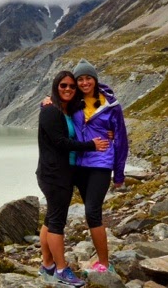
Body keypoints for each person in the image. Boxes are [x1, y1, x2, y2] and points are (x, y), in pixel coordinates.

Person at [36, 70, 110, 286]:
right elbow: (60, 142)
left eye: (71, 86)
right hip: (54, 174)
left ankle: (47, 265)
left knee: (51, 218)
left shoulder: (67, 109)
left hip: (61, 172)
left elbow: (95, 110)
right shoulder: (51, 110)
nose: (68, 89)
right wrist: (91, 145)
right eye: (63, 85)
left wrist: (109, 132)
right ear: (56, 87)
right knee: (57, 222)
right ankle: (61, 270)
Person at [71, 59, 129, 275]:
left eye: (88, 78)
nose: (84, 83)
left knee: (92, 211)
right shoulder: (73, 101)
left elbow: (121, 139)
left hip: (101, 162)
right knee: (91, 213)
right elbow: (57, 113)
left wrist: (119, 173)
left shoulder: (111, 105)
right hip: (79, 164)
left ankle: (105, 263)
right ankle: (99, 258)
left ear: (95, 79)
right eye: (80, 79)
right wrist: (46, 102)